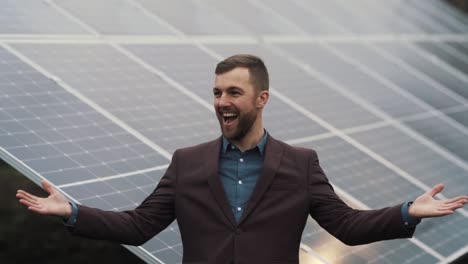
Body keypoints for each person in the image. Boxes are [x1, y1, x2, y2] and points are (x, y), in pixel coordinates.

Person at [16, 54, 468, 264]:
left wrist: (410, 211)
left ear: (261, 98)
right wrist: (71, 211)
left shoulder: (301, 164)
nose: (221, 101)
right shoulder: (187, 162)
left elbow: (347, 226)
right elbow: (138, 226)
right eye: (216, 92)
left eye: (233, 92)